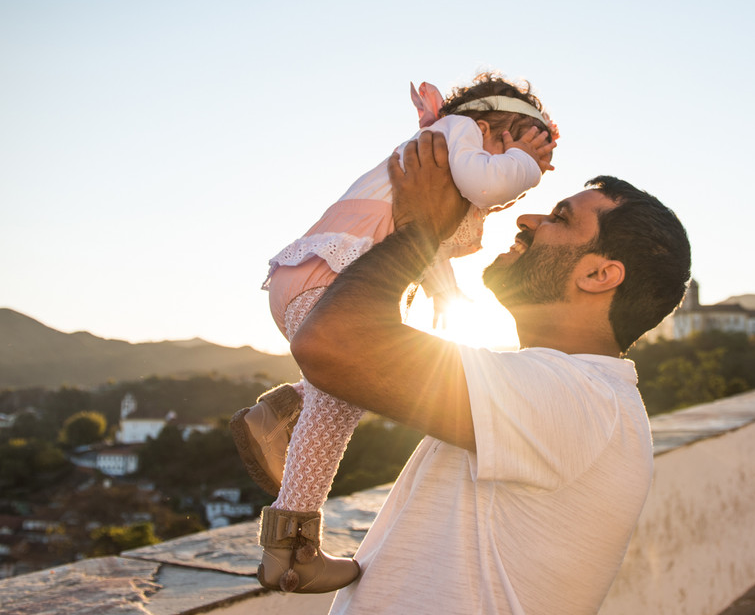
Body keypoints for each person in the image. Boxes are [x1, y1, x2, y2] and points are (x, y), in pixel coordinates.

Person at [288, 130, 692, 614]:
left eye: (559, 218)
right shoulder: (578, 396)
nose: (527, 218)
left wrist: (421, 230)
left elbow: (330, 344)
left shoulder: (576, 398)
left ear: (598, 275)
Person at [233, 71, 558, 594]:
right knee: (342, 391)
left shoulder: (442, 154)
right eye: (519, 143)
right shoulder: (456, 131)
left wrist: (443, 290)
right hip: (329, 274)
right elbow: (483, 182)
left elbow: (420, 232)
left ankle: (280, 412)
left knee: (345, 383)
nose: (523, 173)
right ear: (495, 123)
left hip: (314, 273)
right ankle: (290, 551)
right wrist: (524, 163)